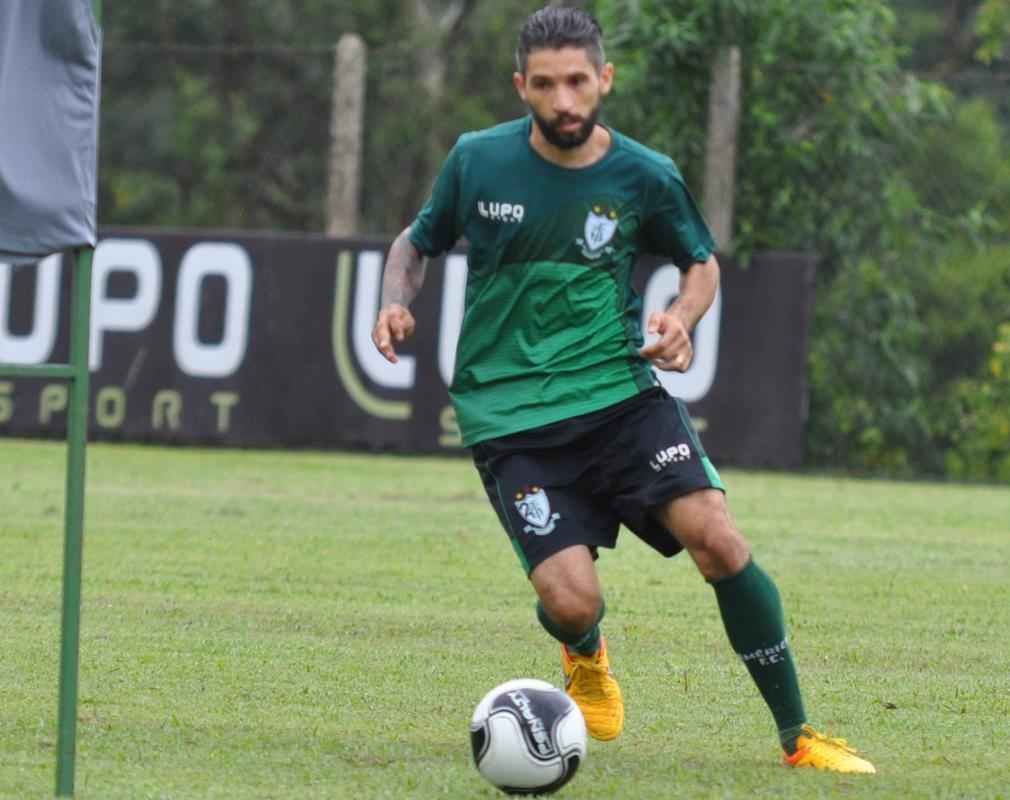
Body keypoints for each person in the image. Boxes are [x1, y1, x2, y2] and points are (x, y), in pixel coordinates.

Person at [372, 6, 875, 774]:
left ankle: (799, 737)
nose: (564, 100)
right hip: (509, 415)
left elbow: (700, 262)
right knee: (573, 600)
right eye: (546, 85)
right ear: (521, 86)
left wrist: (681, 318)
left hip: (619, 395)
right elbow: (416, 242)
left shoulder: (644, 174)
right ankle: (584, 650)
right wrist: (393, 300)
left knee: (716, 536)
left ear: (604, 79)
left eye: (578, 81)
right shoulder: (478, 160)